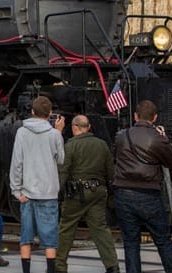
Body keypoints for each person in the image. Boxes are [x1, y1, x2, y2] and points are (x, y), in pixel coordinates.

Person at [113, 100, 172, 273]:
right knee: (163, 241)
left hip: (123, 192)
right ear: (155, 118)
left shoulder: (121, 136)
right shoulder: (157, 139)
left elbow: (115, 156)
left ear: (135, 116)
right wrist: (163, 137)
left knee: (130, 242)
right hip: (149, 194)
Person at [56, 115, 119, 273]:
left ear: (74, 127)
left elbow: (63, 172)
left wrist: (58, 193)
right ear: (89, 127)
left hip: (76, 194)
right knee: (100, 229)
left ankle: (60, 266)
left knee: (66, 228)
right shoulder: (102, 145)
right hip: (97, 192)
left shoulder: (70, 146)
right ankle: (112, 266)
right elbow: (110, 172)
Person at [10, 96, 65, 273]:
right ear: (49, 113)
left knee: (25, 237)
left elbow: (16, 163)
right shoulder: (54, 134)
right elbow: (61, 159)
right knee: (50, 238)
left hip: (27, 192)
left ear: (32, 112)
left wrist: (16, 191)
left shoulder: (22, 132)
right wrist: (59, 133)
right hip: (48, 192)